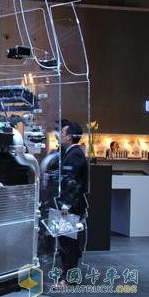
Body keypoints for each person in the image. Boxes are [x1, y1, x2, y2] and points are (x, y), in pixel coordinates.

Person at [56, 121, 88, 284]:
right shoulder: (71, 152)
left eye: (62, 133)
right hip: (70, 204)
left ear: (69, 136)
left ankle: (69, 279)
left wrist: (66, 204)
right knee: (68, 241)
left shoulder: (75, 154)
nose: (60, 135)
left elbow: (73, 182)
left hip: (70, 206)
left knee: (68, 242)